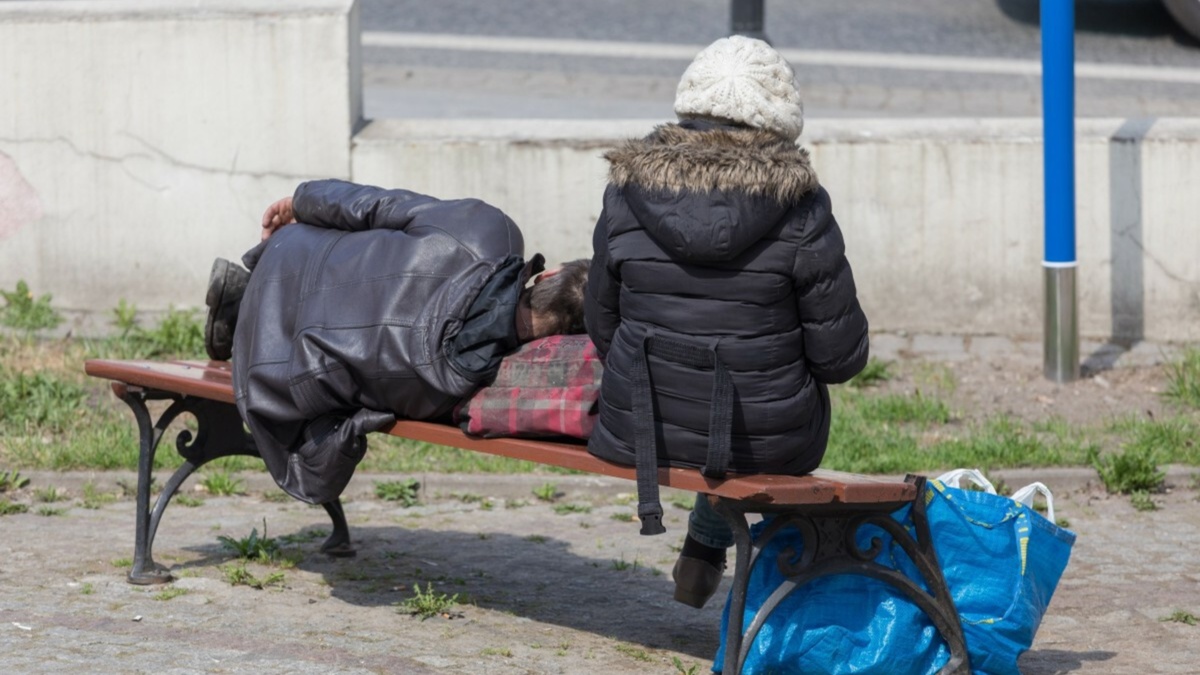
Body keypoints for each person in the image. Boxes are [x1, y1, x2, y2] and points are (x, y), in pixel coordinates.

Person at [584, 36, 870, 609]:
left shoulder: (626, 192)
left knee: (714, 394)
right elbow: (840, 360)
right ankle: (740, 566)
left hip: (643, 422)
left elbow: (603, 323)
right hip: (766, 439)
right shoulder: (802, 206)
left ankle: (702, 552)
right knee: (754, 400)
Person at [205, 179, 589, 505]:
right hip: (271, 371)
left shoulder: (491, 230)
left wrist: (300, 201)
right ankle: (240, 323)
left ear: (547, 276)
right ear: (562, 341)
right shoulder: (458, 388)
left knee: (378, 233)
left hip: (286, 257)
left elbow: (374, 205)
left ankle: (243, 301)